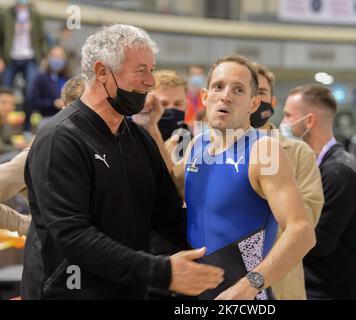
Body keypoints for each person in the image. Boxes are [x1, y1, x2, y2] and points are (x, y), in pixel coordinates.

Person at [21, 24, 224, 300]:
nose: (151, 81)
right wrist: (162, 272)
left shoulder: (138, 139)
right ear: (102, 72)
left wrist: (226, 244)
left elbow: (168, 215)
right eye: (141, 70)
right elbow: (72, 236)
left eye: (151, 70)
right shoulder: (61, 138)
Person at [165, 55, 315, 300]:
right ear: (205, 96)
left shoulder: (263, 151)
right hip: (192, 292)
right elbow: (172, 189)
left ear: (253, 104)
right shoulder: (196, 146)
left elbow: (302, 233)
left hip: (242, 295)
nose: (226, 96)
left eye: (238, 90)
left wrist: (249, 285)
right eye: (218, 87)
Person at [281, 84, 356, 299]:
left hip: (331, 290)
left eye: (288, 116)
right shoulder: (313, 166)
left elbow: (318, 242)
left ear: (309, 121)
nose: (283, 123)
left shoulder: (338, 172)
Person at [251, 62, 324, 300]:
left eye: (260, 92)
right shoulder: (210, 151)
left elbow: (305, 221)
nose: (254, 100)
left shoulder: (298, 152)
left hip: (280, 283)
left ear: (272, 103)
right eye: (246, 90)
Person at [0, 74, 87, 237]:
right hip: (58, 255)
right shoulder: (42, 149)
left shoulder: (117, 142)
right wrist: (24, 225)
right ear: (64, 109)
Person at [0, 0, 47, 131]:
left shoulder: (35, 15)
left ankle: (26, 129)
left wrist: (43, 56)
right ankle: (3, 128)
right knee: (5, 93)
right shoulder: (6, 14)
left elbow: (41, 37)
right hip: (10, 58)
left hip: (30, 58)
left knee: (30, 93)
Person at [133, 70, 189, 142]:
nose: (171, 108)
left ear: (186, 106)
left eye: (177, 104)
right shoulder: (133, 136)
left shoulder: (195, 143)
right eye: (163, 104)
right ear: (148, 103)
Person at [30, 46, 70, 122]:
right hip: (46, 117)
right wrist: (53, 104)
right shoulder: (40, 78)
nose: (57, 59)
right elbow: (34, 101)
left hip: (66, 118)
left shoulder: (68, 78)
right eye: (54, 56)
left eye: (60, 57)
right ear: (48, 58)